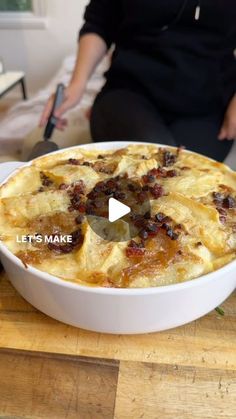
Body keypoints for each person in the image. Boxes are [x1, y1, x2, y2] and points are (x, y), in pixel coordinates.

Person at [40, 0, 236, 162]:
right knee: (150, 166)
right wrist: (78, 83)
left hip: (207, 106)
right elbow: (99, 22)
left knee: (191, 175)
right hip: (129, 93)